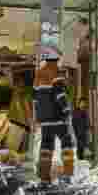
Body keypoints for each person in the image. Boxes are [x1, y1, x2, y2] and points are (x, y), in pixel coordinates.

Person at [33, 46, 75, 185]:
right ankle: (68, 174)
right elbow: (60, 94)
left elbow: (35, 99)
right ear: (56, 58)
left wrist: (37, 117)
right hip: (58, 118)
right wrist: (67, 110)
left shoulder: (38, 74)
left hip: (45, 121)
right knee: (66, 144)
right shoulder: (55, 72)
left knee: (46, 147)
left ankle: (44, 177)